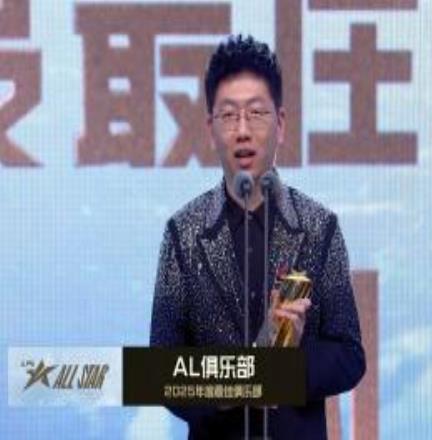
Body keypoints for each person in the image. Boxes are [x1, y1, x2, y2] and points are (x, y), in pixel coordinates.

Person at [150, 34, 365, 440]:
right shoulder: (183, 233)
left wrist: (289, 362)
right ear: (210, 128)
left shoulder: (319, 227)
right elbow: (162, 369)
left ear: (280, 125)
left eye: (256, 113)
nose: (243, 131)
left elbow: (350, 356)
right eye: (229, 116)